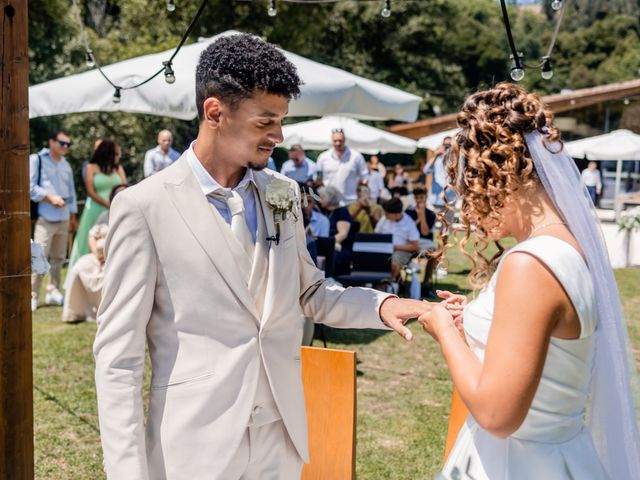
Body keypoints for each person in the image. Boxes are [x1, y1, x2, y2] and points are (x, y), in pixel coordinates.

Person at [94, 33, 429, 480]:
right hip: (194, 447)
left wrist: (383, 305)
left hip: (279, 439)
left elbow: (309, 291)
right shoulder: (143, 206)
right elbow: (118, 358)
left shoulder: (282, 192)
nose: (279, 136)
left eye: (282, 120)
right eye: (265, 122)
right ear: (215, 112)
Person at [418, 83, 640, 479]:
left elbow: (497, 414)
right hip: (563, 455)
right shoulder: (568, 245)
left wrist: (442, 329)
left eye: (470, 186)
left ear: (497, 175)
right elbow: (546, 349)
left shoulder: (530, 264)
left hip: (520, 463)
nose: (469, 206)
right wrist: (472, 322)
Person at [30, 131, 78, 311]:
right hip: (45, 216)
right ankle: (32, 295)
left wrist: (73, 216)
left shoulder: (66, 164)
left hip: (64, 217)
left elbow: (72, 191)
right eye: (62, 143)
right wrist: (50, 198)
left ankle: (53, 291)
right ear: (51, 142)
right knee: (38, 256)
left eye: (68, 144)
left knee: (58, 257)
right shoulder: (37, 159)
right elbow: (30, 186)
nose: (65, 147)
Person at [68, 139, 126, 271]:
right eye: (116, 154)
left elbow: (124, 186)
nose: (118, 157)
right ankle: (85, 272)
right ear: (108, 154)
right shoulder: (91, 167)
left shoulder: (118, 169)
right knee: (90, 239)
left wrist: (116, 204)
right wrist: (108, 204)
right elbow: (90, 191)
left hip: (115, 208)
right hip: (95, 208)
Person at [62, 223, 108, 323]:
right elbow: (92, 237)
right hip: (97, 257)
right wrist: (98, 254)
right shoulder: (104, 216)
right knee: (79, 266)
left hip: (114, 259)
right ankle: (74, 312)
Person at [316, 128, 368, 202]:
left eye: (340, 140)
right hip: (330, 201)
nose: (338, 143)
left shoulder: (356, 156)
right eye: (335, 141)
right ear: (331, 140)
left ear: (345, 140)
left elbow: (364, 177)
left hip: (351, 200)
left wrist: (361, 195)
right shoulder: (323, 157)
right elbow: (318, 179)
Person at [374, 198, 419, 280]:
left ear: (397, 214)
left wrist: (394, 247)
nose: (385, 215)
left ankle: (391, 283)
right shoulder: (384, 219)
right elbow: (376, 234)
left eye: (387, 214)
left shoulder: (409, 223)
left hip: (401, 251)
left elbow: (414, 246)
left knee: (393, 264)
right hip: (382, 248)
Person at [318, 186, 356, 275]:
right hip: (329, 247)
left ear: (330, 198)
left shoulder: (341, 212)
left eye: (322, 197)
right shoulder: (325, 211)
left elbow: (343, 234)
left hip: (340, 248)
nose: (320, 200)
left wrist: (326, 244)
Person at [423, 136, 455, 210]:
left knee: (450, 221)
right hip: (436, 199)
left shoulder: (455, 158)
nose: (447, 147)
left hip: (450, 198)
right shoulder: (437, 159)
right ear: (442, 145)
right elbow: (426, 170)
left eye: (449, 145)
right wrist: (435, 155)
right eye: (445, 145)